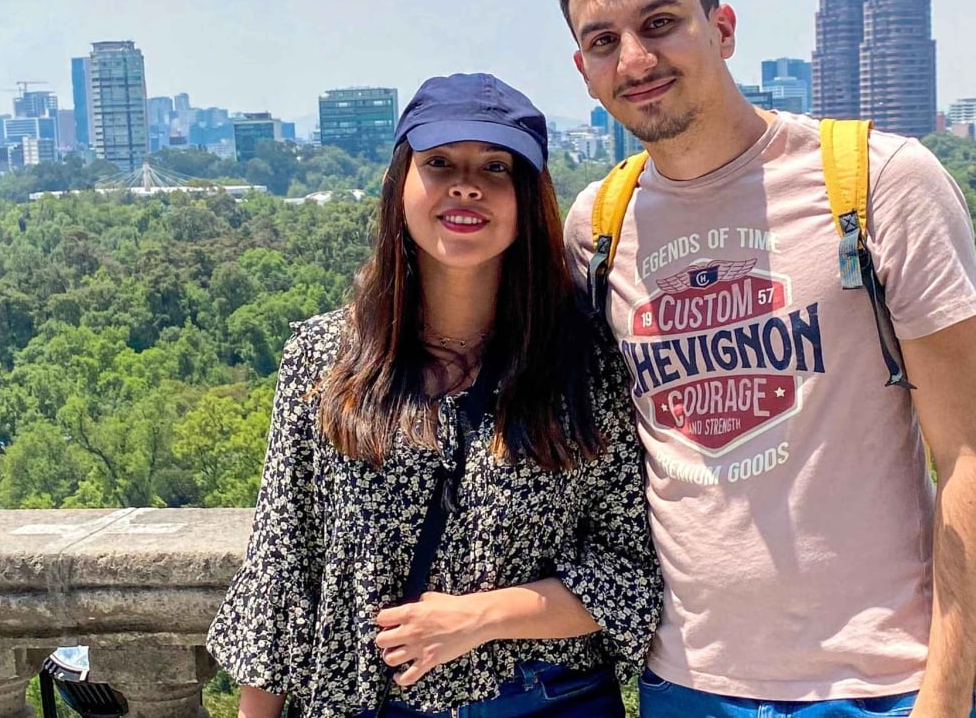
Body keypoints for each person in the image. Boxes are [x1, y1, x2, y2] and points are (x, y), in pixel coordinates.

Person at [555, 0, 976, 718]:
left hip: (877, 684)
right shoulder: (599, 225)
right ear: (584, 70)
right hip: (687, 683)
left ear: (722, 28)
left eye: (660, 23)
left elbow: (972, 454)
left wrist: (940, 698)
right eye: (603, 41)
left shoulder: (881, 183)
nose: (635, 58)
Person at [207, 73, 661, 717]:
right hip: (367, 699)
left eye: (496, 167)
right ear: (402, 187)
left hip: (545, 698)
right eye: (440, 162)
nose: (466, 184)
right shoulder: (325, 357)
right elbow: (284, 570)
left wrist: (480, 618)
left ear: (528, 198)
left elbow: (628, 572)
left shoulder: (584, 363)